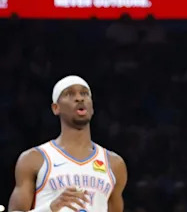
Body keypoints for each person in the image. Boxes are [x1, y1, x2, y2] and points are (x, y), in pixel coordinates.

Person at [7, 76, 128, 212]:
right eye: (69, 94)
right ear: (56, 108)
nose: (79, 98)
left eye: (84, 93)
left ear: (92, 107)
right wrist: (50, 208)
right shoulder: (34, 158)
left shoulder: (114, 163)